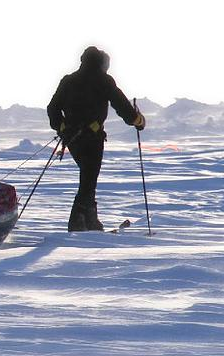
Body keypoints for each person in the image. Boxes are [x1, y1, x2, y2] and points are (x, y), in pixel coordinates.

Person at [46, 46, 146, 232]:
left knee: (88, 175)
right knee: (89, 176)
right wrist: (137, 121)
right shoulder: (103, 80)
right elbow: (121, 104)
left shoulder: (68, 81)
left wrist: (62, 127)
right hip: (92, 137)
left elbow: (52, 108)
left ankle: (90, 220)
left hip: (72, 138)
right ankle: (78, 221)